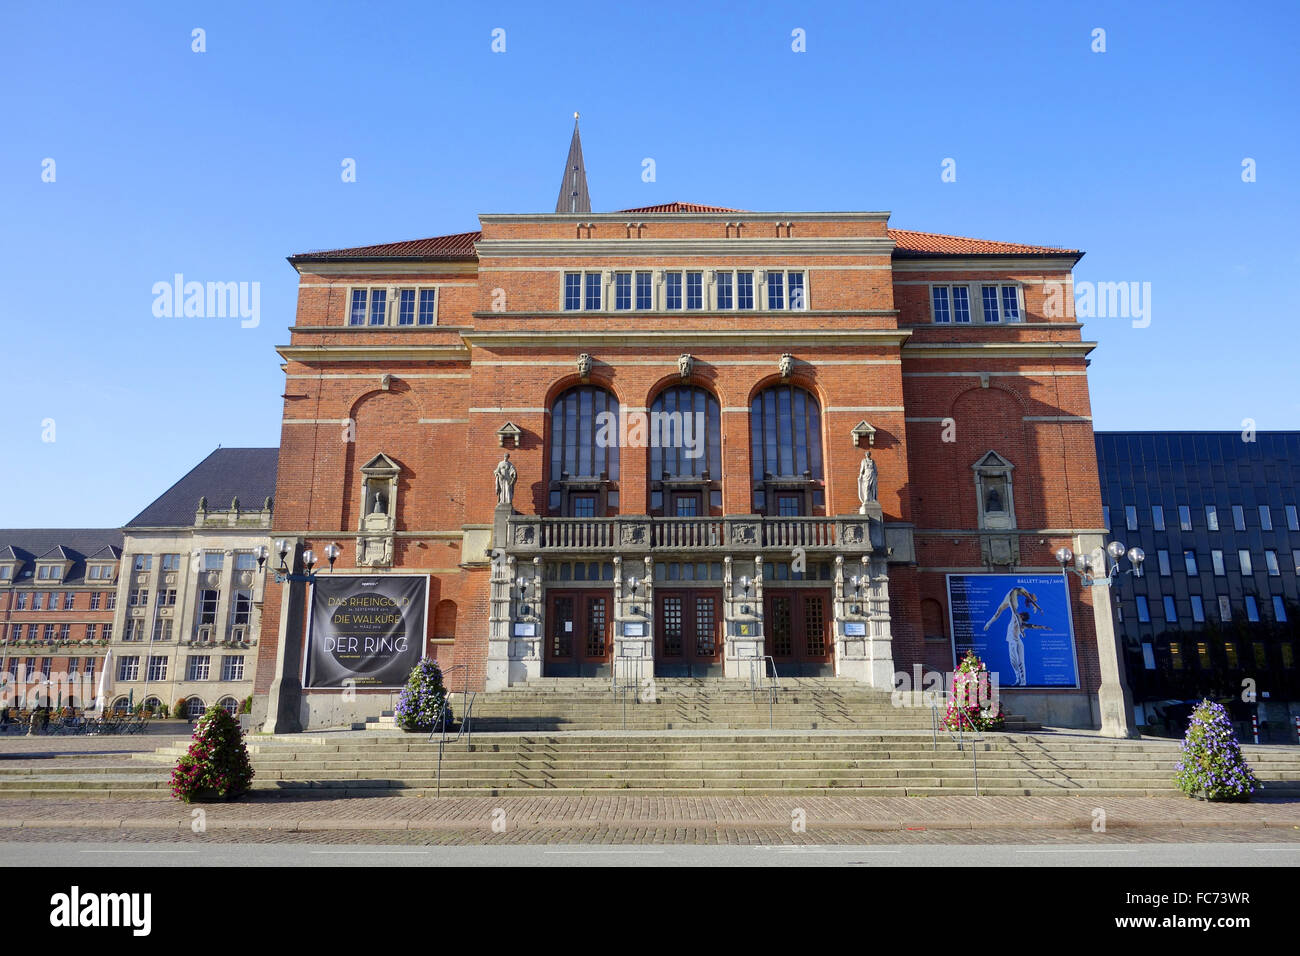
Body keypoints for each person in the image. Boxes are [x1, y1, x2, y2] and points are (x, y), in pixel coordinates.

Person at [983, 587, 1043, 686]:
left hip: (1016, 640)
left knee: (1019, 661)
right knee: (1014, 662)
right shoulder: (1018, 594)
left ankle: (1022, 681)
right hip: (1013, 638)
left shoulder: (1019, 597)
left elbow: (1018, 614)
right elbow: (1003, 613)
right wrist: (989, 624)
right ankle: (1019, 679)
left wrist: (1037, 606)